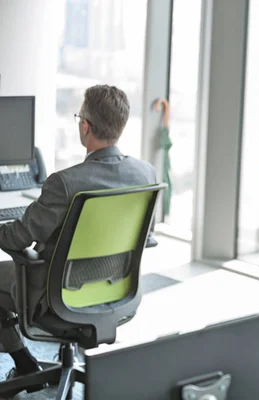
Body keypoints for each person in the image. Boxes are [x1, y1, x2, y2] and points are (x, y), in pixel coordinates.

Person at [0, 85, 156, 392]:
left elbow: (18, 238)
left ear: (85, 125)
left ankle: (23, 363)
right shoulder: (145, 174)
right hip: (117, 291)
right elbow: (146, 238)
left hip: (58, 295)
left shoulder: (65, 182)